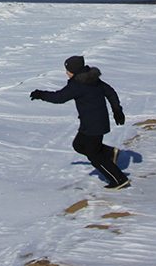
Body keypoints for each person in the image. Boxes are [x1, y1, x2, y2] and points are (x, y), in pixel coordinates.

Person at [30, 55, 130, 190]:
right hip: (93, 123)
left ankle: (119, 179)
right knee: (79, 145)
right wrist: (117, 110)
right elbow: (110, 92)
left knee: (94, 155)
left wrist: (41, 94)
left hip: (93, 125)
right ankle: (110, 153)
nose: (66, 72)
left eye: (68, 70)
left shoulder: (77, 85)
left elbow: (59, 98)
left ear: (74, 70)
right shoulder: (93, 80)